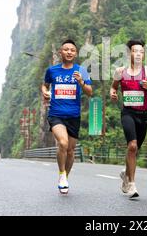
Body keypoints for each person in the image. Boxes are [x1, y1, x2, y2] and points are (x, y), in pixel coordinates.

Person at [41, 39, 93, 194]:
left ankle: (64, 177)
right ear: (60, 52)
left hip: (73, 116)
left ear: (75, 53)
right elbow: (45, 84)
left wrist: (81, 82)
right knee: (62, 143)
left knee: (70, 151)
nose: (69, 52)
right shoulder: (52, 70)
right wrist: (44, 91)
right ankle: (62, 174)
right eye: (66, 49)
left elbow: (90, 92)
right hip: (56, 114)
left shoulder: (81, 71)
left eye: (72, 50)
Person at [110, 40, 147, 198]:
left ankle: (126, 173)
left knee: (135, 149)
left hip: (143, 115)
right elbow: (114, 86)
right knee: (132, 146)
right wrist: (113, 93)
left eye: (141, 52)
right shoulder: (120, 71)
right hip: (128, 113)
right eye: (134, 51)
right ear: (129, 53)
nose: (138, 54)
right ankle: (132, 184)